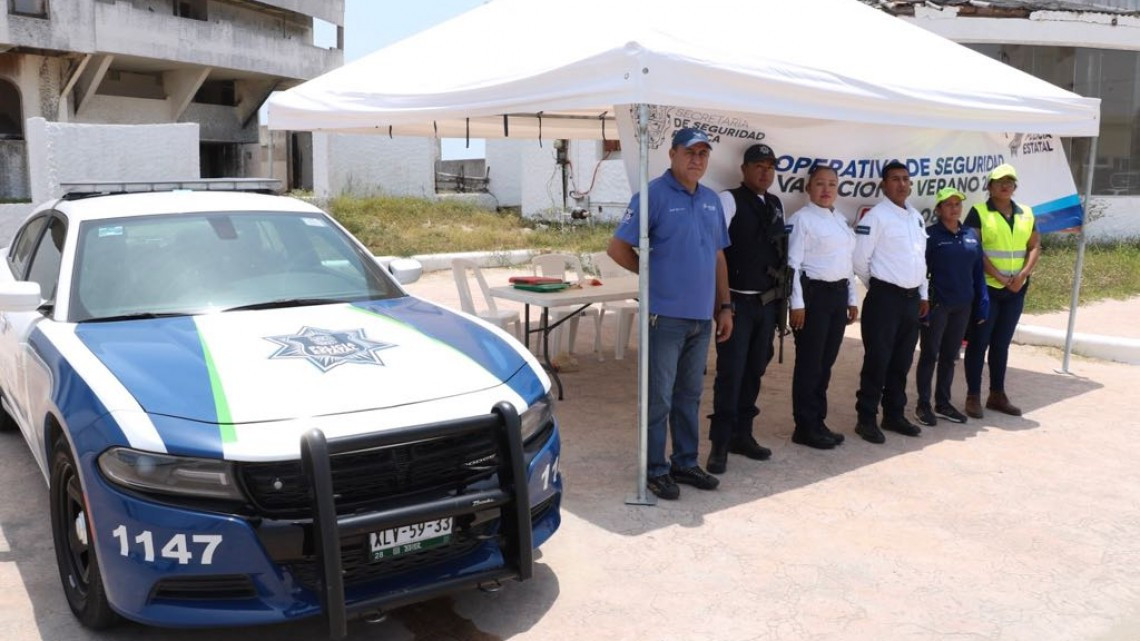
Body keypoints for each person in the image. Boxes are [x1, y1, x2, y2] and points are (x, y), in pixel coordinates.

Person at [607, 127, 732, 501]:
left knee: (690, 394)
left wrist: (724, 307)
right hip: (664, 317)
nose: (697, 160)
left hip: (700, 318)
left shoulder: (711, 201)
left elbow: (718, 255)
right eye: (690, 152)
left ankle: (684, 461)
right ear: (673, 155)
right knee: (659, 397)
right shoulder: (652, 196)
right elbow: (617, 247)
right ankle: (655, 469)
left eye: (703, 154)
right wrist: (651, 275)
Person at [706, 143, 786, 475]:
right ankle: (720, 444)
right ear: (744, 169)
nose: (764, 172)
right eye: (758, 166)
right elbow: (715, 251)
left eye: (770, 167)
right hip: (737, 303)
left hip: (766, 305)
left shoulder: (776, 203)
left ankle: (743, 435)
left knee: (755, 370)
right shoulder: (728, 200)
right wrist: (722, 304)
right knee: (731, 374)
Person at [852, 160, 929, 444]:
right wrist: (881, 286)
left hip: (911, 300)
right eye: (895, 179)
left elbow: (920, 259)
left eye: (905, 179)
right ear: (884, 185)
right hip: (885, 298)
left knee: (902, 360)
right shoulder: (876, 217)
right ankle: (866, 418)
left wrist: (922, 293)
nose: (901, 184)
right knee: (878, 360)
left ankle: (894, 414)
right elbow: (860, 260)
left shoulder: (915, 217)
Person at [786, 165, 857, 450]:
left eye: (832, 184)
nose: (826, 190)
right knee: (809, 364)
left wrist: (852, 299)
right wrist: (797, 304)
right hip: (813, 296)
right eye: (820, 184)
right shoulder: (802, 220)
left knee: (825, 364)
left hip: (837, 296)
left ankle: (818, 420)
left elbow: (847, 262)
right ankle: (804, 426)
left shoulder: (839, 219)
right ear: (808, 188)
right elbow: (792, 265)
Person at [963, 163, 1040, 418]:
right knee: (978, 343)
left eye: (1010, 181)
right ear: (990, 186)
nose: (1005, 185)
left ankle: (997, 394)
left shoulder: (1026, 213)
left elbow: (1034, 247)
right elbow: (974, 249)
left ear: (1015, 186)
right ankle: (972, 396)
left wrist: (1022, 275)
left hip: (1016, 290)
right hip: (987, 289)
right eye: (999, 181)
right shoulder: (978, 212)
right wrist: (998, 276)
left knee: (1001, 344)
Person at [913, 187, 990, 426]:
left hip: (963, 305)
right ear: (938, 209)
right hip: (937, 305)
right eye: (948, 204)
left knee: (950, 356)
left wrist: (982, 300)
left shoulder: (969, 234)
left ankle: (943, 403)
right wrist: (922, 299)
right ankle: (923, 405)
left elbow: (978, 271)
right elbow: (918, 270)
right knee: (929, 354)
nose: (954, 208)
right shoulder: (930, 236)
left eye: (957, 204)